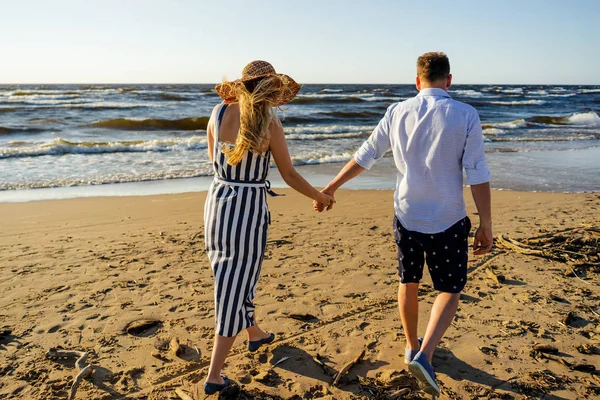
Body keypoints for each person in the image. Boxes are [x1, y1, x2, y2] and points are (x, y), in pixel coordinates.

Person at [314, 52, 492, 396]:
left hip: (407, 214)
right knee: (449, 289)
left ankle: (412, 345)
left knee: (408, 280)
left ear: (417, 81)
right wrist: (487, 223)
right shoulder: (465, 114)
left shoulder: (397, 111)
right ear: (449, 80)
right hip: (448, 216)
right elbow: (478, 172)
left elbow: (366, 154)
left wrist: (331, 188)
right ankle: (424, 355)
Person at [203, 60, 334, 395]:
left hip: (217, 201)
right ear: (270, 88)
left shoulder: (217, 113)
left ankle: (255, 334)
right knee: (235, 282)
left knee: (230, 274)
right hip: (247, 206)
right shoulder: (269, 122)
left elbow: (213, 160)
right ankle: (214, 375)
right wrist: (320, 195)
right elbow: (288, 175)